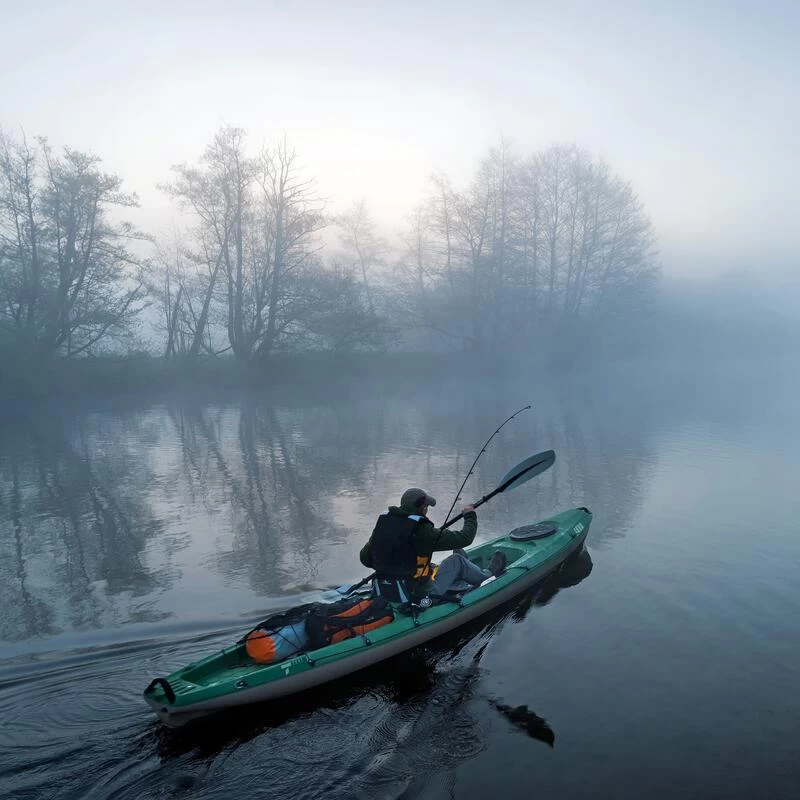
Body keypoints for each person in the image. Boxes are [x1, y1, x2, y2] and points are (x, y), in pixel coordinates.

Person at [359, 487, 507, 603]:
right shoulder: (422, 530)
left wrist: (391, 566)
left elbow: (365, 558)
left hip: (383, 590)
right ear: (422, 508)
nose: (427, 510)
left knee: (446, 557)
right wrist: (469, 515)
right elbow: (465, 538)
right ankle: (488, 574)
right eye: (427, 507)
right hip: (419, 594)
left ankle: (460, 573)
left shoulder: (386, 524)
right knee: (457, 560)